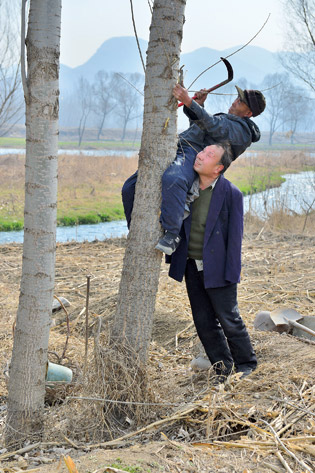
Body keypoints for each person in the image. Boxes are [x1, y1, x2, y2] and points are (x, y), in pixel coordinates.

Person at [122, 84, 266, 254]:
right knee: (129, 187)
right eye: (237, 98)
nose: (235, 102)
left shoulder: (242, 131)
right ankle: (135, 230)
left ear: (248, 113)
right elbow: (200, 128)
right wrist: (199, 105)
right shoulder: (230, 120)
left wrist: (189, 102)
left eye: (241, 102)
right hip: (178, 146)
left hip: (193, 153)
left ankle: (172, 233)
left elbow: (213, 125)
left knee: (174, 178)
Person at [167, 142, 257, 380]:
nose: (201, 155)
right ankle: (222, 368)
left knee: (229, 318)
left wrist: (232, 273)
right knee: (204, 321)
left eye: (208, 155)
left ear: (218, 168)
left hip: (218, 268)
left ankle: (247, 364)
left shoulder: (231, 193)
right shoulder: (186, 186)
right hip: (190, 264)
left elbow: (235, 238)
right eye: (202, 151)